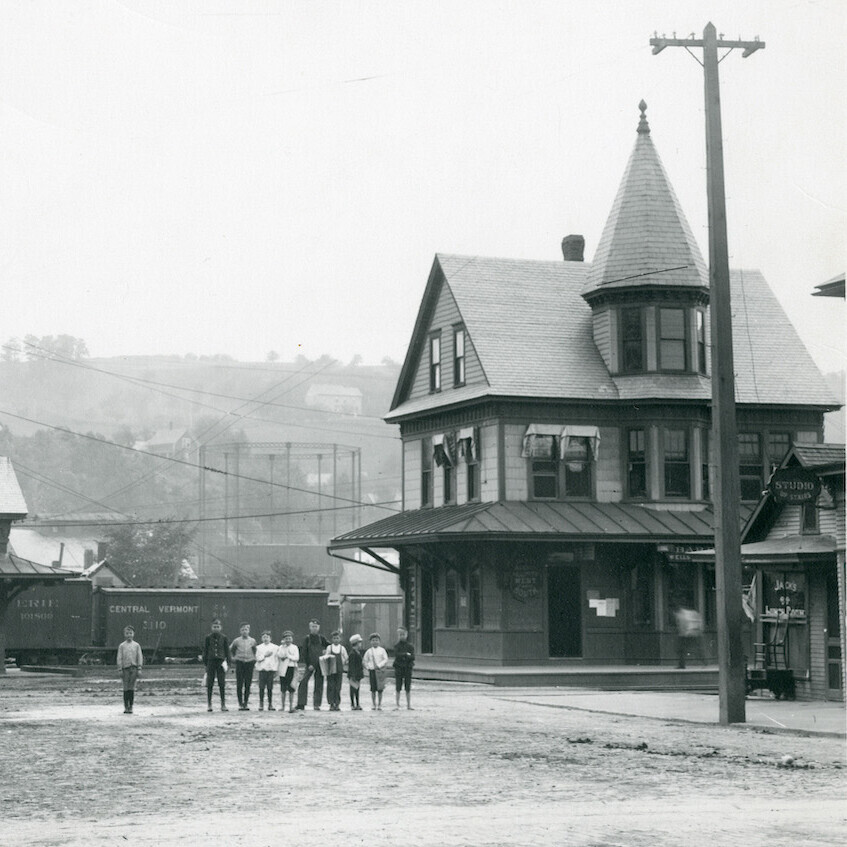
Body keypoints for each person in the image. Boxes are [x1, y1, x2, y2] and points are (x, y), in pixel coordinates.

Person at [296, 619, 329, 711]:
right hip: (309, 664)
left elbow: (329, 646)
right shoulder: (307, 638)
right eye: (312, 626)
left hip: (320, 664)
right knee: (303, 682)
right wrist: (308, 664)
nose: (314, 628)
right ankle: (301, 704)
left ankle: (317, 704)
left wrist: (326, 651)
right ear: (309, 627)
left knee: (319, 684)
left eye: (316, 627)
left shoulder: (322, 638)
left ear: (319, 628)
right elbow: (304, 652)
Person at [202, 618, 229, 712]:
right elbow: (205, 651)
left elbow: (227, 651)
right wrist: (206, 664)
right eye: (214, 626)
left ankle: (223, 704)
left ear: (221, 628)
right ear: (211, 627)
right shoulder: (208, 638)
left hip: (220, 662)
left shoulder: (224, 637)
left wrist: (227, 663)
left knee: (222, 683)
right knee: (210, 684)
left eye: (218, 627)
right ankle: (209, 704)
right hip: (211, 662)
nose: (216, 628)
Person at [230, 622, 257, 710]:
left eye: (246, 629)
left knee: (248, 683)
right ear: (240, 631)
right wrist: (233, 658)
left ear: (249, 631)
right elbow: (230, 650)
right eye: (242, 630)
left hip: (249, 663)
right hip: (240, 663)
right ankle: (240, 703)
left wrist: (254, 659)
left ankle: (246, 702)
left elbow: (256, 651)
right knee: (239, 683)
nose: (244, 631)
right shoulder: (236, 641)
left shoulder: (252, 641)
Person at [116, 625, 143, 714]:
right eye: (127, 633)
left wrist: (139, 668)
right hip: (125, 670)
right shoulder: (122, 646)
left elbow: (139, 657)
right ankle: (125, 707)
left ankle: (131, 706)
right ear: (124, 634)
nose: (129, 635)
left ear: (133, 634)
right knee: (125, 688)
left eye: (130, 633)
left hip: (134, 669)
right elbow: (119, 657)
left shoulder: (137, 645)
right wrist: (120, 669)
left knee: (131, 688)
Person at [323, 630, 349, 711]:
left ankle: (337, 703)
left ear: (340, 639)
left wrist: (343, 663)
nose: (336, 640)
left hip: (339, 670)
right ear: (332, 639)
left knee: (338, 687)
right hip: (330, 670)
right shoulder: (329, 648)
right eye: (334, 638)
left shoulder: (342, 648)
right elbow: (326, 657)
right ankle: (331, 703)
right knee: (331, 686)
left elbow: (346, 658)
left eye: (337, 638)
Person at [363, 632, 389, 711]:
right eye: (373, 640)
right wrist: (368, 667)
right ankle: (373, 704)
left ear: (379, 641)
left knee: (380, 688)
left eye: (376, 640)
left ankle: (380, 704)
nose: (375, 642)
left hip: (380, 671)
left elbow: (385, 659)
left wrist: (380, 665)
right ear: (370, 642)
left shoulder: (382, 650)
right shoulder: (368, 651)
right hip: (372, 671)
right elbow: (365, 661)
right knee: (373, 689)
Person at [276, 630, 300, 713]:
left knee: (291, 688)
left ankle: (291, 706)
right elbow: (279, 655)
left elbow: (296, 658)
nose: (288, 640)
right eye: (286, 638)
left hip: (291, 667)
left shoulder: (294, 647)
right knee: (283, 688)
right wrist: (284, 649)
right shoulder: (281, 647)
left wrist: (289, 656)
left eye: (289, 638)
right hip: (283, 668)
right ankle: (282, 706)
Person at [674, 605, 704, 669]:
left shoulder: (681, 615)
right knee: (693, 648)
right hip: (692, 633)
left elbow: (682, 626)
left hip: (685, 635)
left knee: (681, 650)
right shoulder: (689, 614)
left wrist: (683, 633)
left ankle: (682, 665)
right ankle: (704, 661)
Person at [393, 626, 415, 710]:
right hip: (398, 668)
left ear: (406, 634)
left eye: (403, 634)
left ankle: (408, 704)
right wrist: (406, 655)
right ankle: (397, 704)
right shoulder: (396, 646)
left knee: (408, 686)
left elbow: (413, 657)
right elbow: (397, 655)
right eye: (400, 634)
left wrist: (404, 656)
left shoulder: (410, 646)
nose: (402, 636)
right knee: (398, 686)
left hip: (407, 668)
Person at [255, 630, 278, 711]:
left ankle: (270, 704)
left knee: (270, 688)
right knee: (261, 687)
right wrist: (264, 655)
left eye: (267, 637)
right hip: (262, 670)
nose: (265, 639)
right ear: (261, 638)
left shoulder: (275, 647)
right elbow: (257, 658)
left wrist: (275, 669)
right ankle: (261, 704)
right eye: (264, 637)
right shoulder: (258, 647)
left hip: (270, 670)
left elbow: (276, 659)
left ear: (270, 638)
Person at [347, 633, 365, 711]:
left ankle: (357, 703)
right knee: (353, 689)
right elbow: (352, 666)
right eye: (359, 642)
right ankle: (353, 704)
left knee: (357, 689)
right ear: (356, 643)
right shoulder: (352, 654)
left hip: (357, 674)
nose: (360, 644)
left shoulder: (357, 652)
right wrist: (353, 675)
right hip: (353, 674)